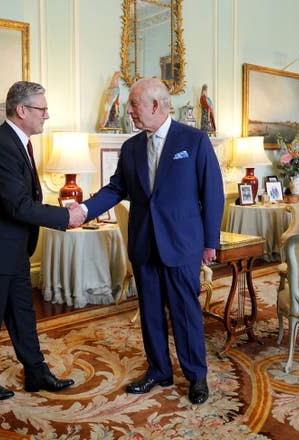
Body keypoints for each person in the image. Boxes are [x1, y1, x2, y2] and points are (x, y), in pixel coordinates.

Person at [82, 77, 224, 405]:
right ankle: (159, 370)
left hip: (182, 244)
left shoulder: (195, 140)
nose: (129, 111)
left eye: (134, 105)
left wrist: (209, 241)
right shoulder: (131, 147)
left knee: (185, 312)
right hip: (145, 243)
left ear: (155, 106)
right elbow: (117, 188)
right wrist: (85, 210)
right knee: (150, 312)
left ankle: (196, 375)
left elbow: (212, 193)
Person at [0, 81, 86, 401]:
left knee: (21, 311)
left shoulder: (17, 141)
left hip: (12, 246)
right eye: (42, 109)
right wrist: (64, 217)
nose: (46, 115)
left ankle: (35, 370)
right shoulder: (2, 144)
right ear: (22, 110)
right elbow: (16, 205)